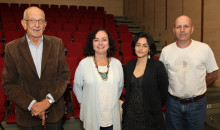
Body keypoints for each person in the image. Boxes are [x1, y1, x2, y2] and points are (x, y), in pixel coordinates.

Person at [2, 6, 70, 130]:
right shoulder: (12, 48)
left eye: (40, 21)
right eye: (32, 20)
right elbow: (8, 84)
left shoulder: (57, 44)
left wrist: (47, 101)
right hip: (27, 116)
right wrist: (32, 104)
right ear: (24, 23)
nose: (37, 24)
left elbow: (64, 77)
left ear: (45, 25)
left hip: (54, 114)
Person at [160, 15, 219, 130]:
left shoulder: (204, 49)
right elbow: (163, 76)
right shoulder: (166, 51)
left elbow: (214, 74)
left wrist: (197, 85)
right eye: (178, 27)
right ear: (173, 30)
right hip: (173, 104)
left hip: (197, 104)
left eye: (186, 26)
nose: (182, 30)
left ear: (192, 29)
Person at [73, 29, 124, 130]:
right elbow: (76, 86)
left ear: (109, 43)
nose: (100, 43)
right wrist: (83, 102)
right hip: (92, 115)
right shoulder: (84, 63)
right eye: (96, 40)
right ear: (92, 44)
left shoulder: (117, 64)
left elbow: (120, 87)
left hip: (112, 116)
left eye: (104, 39)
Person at [122, 32, 169, 130]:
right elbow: (128, 89)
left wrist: (154, 106)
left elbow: (163, 92)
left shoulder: (158, 66)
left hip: (151, 115)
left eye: (144, 46)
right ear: (134, 47)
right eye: (138, 45)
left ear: (149, 49)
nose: (140, 48)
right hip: (130, 115)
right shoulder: (128, 66)